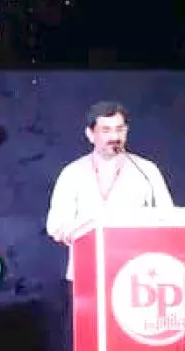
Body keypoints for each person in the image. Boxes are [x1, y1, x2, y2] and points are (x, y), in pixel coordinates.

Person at [46, 100, 174, 280]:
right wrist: (88, 229)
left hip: (136, 274)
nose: (114, 136)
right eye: (106, 130)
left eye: (119, 129)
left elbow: (168, 219)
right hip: (86, 272)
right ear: (90, 134)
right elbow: (56, 225)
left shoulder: (146, 171)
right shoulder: (72, 173)